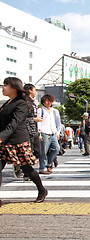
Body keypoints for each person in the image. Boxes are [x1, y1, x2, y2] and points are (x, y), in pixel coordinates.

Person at [0, 77, 48, 205]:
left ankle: (42, 190)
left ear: (14, 88)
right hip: (5, 141)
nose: (3, 88)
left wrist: (1, 137)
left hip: (18, 141)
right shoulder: (7, 103)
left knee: (26, 168)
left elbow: (14, 124)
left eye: (6, 85)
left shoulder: (21, 103)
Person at [37, 94, 60, 174]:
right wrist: (39, 132)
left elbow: (54, 122)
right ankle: (42, 167)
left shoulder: (52, 111)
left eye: (50, 101)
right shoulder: (40, 110)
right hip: (44, 132)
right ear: (43, 101)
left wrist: (56, 132)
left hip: (52, 132)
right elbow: (39, 121)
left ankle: (49, 163)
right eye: (47, 101)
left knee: (56, 148)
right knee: (43, 151)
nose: (49, 102)